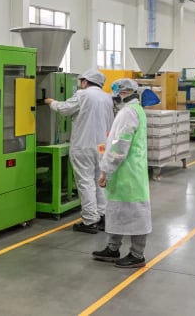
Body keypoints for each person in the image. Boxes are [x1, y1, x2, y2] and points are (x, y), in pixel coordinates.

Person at [44, 69, 113, 233]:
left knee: (85, 182)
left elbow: (65, 109)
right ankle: (103, 216)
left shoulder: (83, 95)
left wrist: (51, 102)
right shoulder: (107, 97)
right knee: (100, 181)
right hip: (102, 146)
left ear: (85, 82)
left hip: (84, 145)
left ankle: (89, 221)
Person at [92, 79, 151, 268]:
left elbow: (120, 145)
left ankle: (137, 254)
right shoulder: (132, 110)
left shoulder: (129, 112)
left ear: (124, 92)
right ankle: (113, 248)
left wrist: (105, 169)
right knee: (116, 210)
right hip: (123, 172)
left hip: (129, 172)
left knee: (135, 213)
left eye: (116, 91)